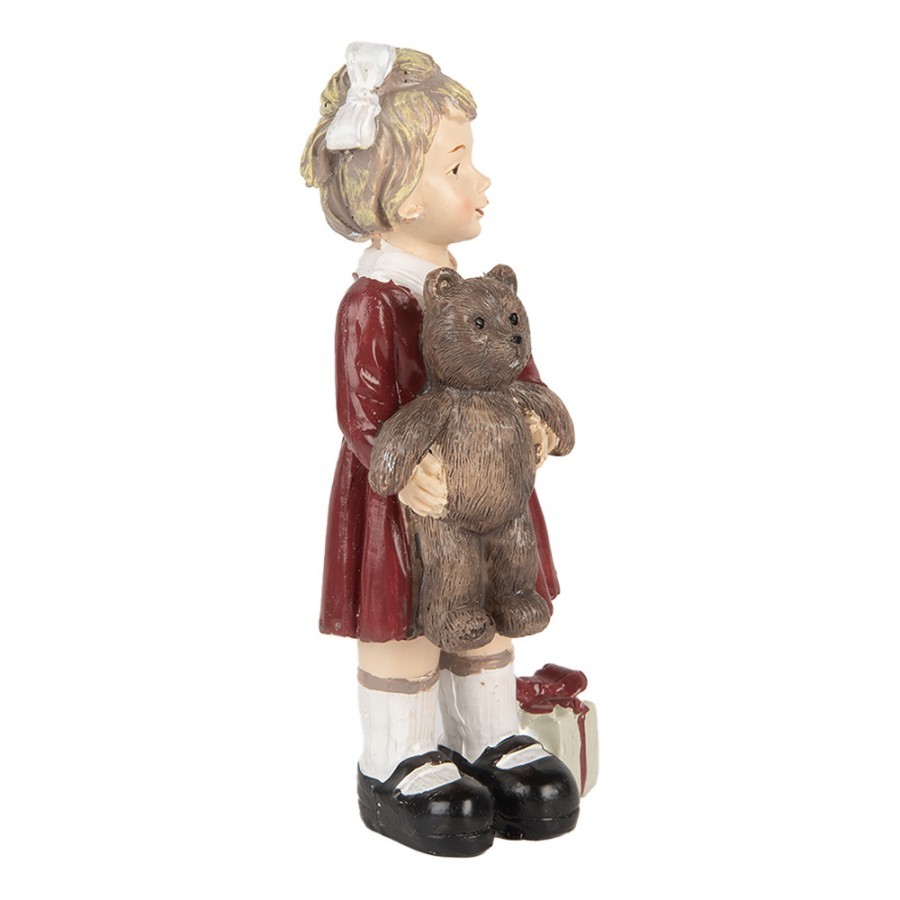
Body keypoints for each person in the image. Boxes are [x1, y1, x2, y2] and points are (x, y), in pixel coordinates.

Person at [301, 43, 579, 856]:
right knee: (408, 625)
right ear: (401, 197)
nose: (481, 181)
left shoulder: (478, 293)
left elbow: (521, 372)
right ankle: (397, 760)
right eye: (457, 167)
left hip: (489, 493)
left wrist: (537, 423)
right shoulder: (374, 301)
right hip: (406, 498)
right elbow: (361, 410)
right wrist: (404, 470)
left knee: (490, 606)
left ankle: (488, 734)